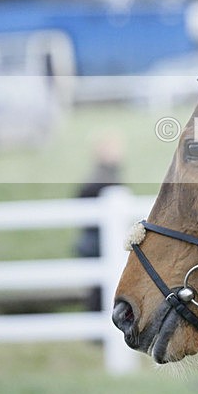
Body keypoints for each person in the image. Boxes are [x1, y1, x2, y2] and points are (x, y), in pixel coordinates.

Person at [74, 133, 124, 312]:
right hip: (97, 241)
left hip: (96, 239)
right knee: (100, 287)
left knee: (101, 285)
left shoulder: (104, 175)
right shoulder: (102, 179)